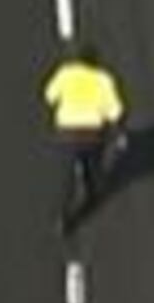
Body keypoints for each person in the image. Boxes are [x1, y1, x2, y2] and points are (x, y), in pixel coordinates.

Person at [43, 44, 130, 234]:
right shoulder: (103, 80)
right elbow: (115, 112)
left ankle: (64, 216)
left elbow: (49, 96)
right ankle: (91, 190)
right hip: (92, 133)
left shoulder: (66, 74)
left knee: (66, 176)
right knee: (93, 164)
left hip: (66, 132)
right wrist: (119, 133)